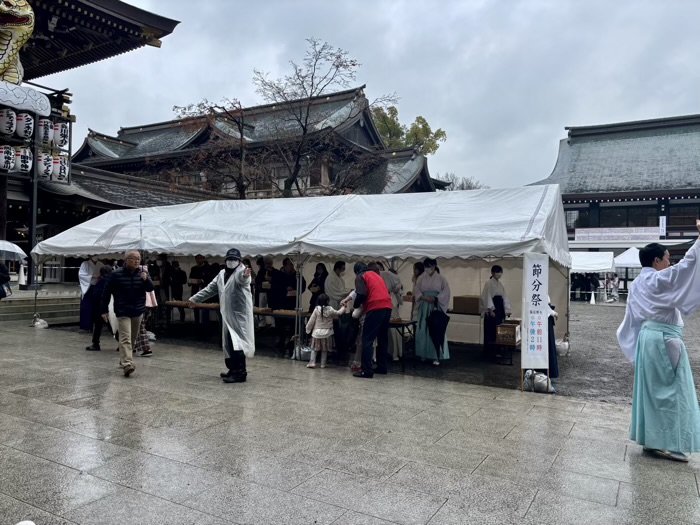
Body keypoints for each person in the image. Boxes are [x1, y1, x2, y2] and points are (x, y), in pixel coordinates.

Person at [617, 230, 700, 463]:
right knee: (670, 392)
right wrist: (698, 244)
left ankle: (653, 439)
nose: (669, 263)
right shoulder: (656, 279)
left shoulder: (636, 284)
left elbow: (631, 320)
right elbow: (685, 268)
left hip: (646, 339)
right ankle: (668, 443)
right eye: (666, 259)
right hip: (664, 340)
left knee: (653, 392)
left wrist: (635, 351)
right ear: (656, 261)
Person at [189, 248, 254, 383]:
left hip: (239, 315)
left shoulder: (241, 272)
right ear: (225, 260)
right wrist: (195, 299)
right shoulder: (222, 274)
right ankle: (232, 369)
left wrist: (246, 276)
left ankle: (240, 373)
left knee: (238, 344)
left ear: (239, 261)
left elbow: (244, 280)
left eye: (234, 259)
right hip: (227, 314)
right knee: (229, 344)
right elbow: (210, 289)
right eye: (229, 259)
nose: (232, 262)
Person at [100, 250, 154, 377]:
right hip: (122, 310)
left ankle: (123, 359)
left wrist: (146, 280)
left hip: (138, 310)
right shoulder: (115, 274)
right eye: (134, 258)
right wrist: (103, 310)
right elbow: (106, 292)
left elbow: (151, 289)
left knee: (133, 338)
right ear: (126, 260)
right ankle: (127, 364)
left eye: (139, 259)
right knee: (125, 337)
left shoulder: (143, 273)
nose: (137, 261)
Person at [347, 262, 393, 378]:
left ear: (356, 271)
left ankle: (366, 370)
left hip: (375, 307)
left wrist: (356, 305)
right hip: (387, 306)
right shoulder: (376, 275)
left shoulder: (360, 276)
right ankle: (382, 367)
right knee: (382, 338)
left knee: (367, 339)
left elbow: (361, 294)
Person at [415, 258, 451, 365]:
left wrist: (436, 299)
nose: (426, 269)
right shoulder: (421, 277)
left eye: (428, 266)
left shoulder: (441, 278)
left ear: (434, 267)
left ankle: (436, 355)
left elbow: (446, 292)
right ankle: (424, 354)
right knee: (423, 329)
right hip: (425, 305)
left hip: (436, 306)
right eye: (425, 266)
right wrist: (423, 298)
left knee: (436, 329)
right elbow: (417, 290)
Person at [305, 293, 343, 369]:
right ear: (327, 301)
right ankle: (323, 364)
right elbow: (339, 313)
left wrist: (308, 329)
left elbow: (311, 321)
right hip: (328, 333)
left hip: (317, 333)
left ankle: (312, 362)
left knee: (314, 349)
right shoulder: (330, 309)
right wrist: (344, 307)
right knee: (324, 350)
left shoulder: (316, 309)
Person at [480, 264, 511, 357]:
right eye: (497, 271)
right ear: (492, 273)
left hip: (500, 308)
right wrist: (490, 310)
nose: (499, 274)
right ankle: (490, 351)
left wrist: (507, 309)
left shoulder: (500, 284)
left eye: (500, 272)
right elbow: (486, 297)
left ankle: (498, 350)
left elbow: (504, 297)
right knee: (491, 330)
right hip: (493, 308)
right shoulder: (488, 283)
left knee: (499, 329)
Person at [86, 267, 112, 351]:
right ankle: (121, 343)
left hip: (100, 307)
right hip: (111, 307)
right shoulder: (113, 281)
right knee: (112, 326)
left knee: (98, 326)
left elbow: (96, 295)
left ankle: (95, 344)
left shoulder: (101, 282)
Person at [79, 255, 104, 332]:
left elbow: (105, 273)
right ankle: (86, 326)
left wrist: (102, 277)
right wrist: (95, 276)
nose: (95, 256)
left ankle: (97, 325)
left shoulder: (101, 264)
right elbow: (82, 275)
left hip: (99, 287)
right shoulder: (85, 263)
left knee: (98, 308)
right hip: (89, 287)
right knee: (87, 307)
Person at [189, 255, 210, 324]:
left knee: (205, 309)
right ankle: (197, 324)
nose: (199, 260)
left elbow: (210, 279)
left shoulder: (208, 268)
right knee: (196, 309)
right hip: (195, 291)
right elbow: (190, 278)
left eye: (201, 258)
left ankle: (205, 325)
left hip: (204, 291)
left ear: (203, 259)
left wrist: (202, 281)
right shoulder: (194, 268)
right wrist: (190, 282)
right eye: (197, 258)